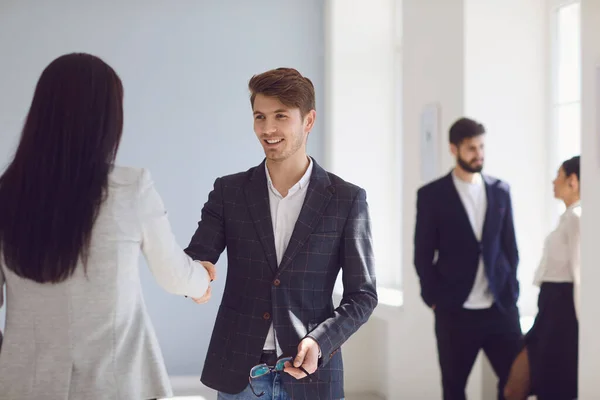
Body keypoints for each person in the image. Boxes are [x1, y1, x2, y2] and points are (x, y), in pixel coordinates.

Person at [0, 53, 215, 400]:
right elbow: (175, 276)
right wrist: (202, 280)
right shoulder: (130, 187)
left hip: (22, 386)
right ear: (106, 119)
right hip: (115, 386)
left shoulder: (6, 195)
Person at [184, 67, 378, 400]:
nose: (268, 129)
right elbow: (198, 256)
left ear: (308, 120)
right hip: (239, 374)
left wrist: (321, 341)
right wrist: (195, 275)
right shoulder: (229, 192)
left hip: (313, 374)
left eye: (280, 116)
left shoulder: (346, 199)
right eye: (260, 117)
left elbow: (363, 295)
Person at [413, 117, 523, 400]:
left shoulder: (501, 190)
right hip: (454, 311)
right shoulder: (432, 195)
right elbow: (423, 253)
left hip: (500, 307)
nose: (479, 154)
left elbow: (510, 247)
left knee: (515, 384)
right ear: (454, 149)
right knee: (454, 388)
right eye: (472, 148)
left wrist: (511, 289)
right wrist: (433, 297)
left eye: (482, 147)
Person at [504, 156, 580, 400]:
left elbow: (580, 274)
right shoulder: (568, 216)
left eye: (558, 174)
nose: (553, 180)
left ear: (573, 181)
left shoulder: (578, 218)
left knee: (551, 387)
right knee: (514, 387)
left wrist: (584, 323)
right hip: (548, 308)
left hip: (563, 311)